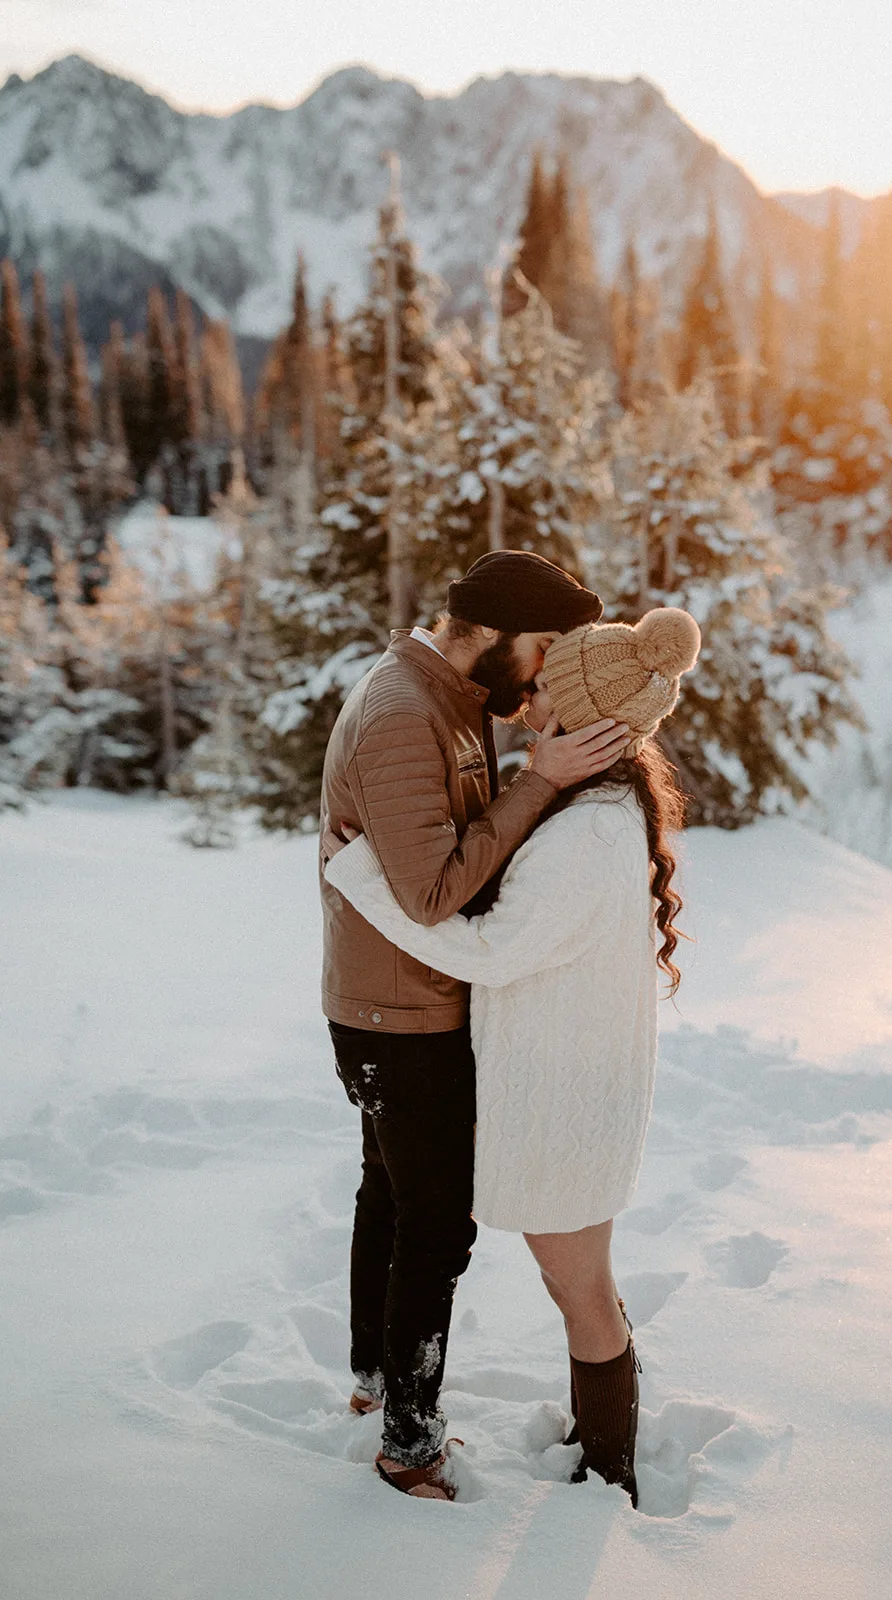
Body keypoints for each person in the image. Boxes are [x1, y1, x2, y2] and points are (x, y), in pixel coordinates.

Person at [325, 605, 701, 1505]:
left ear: (588, 721)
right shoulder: (596, 805)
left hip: (563, 1101)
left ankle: (609, 1467)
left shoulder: (583, 834)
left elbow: (487, 947)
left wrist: (360, 875)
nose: (529, 707)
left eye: (549, 696)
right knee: (578, 1284)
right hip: (568, 1087)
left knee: (581, 1291)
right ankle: (599, 1440)